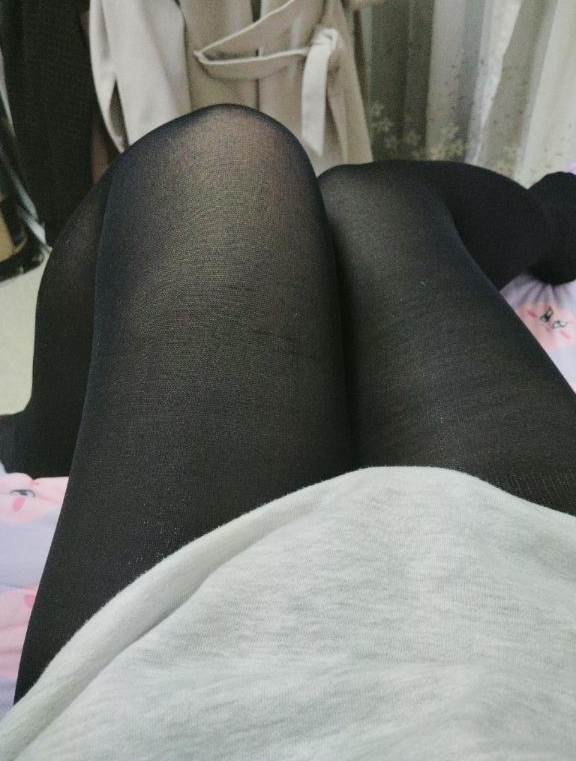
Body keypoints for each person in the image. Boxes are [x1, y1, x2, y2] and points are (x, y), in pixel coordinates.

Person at [0, 107, 575, 754]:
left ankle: (41, 448)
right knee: (361, 200)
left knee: (230, 158)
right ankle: (559, 220)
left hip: (142, 705)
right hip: (535, 644)